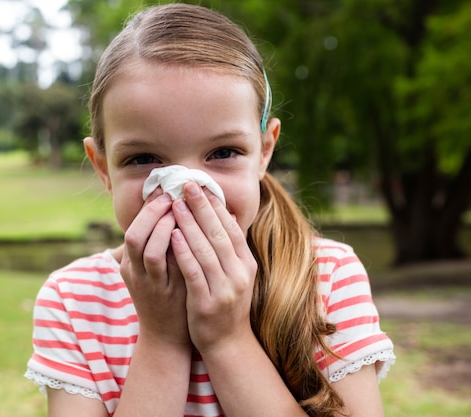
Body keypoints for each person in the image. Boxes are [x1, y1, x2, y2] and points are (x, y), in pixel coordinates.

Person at [25, 3, 395, 417]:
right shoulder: (74, 300)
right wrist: (162, 340)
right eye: (144, 158)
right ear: (102, 168)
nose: (186, 189)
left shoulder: (326, 277)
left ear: (264, 151)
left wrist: (226, 337)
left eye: (223, 152)